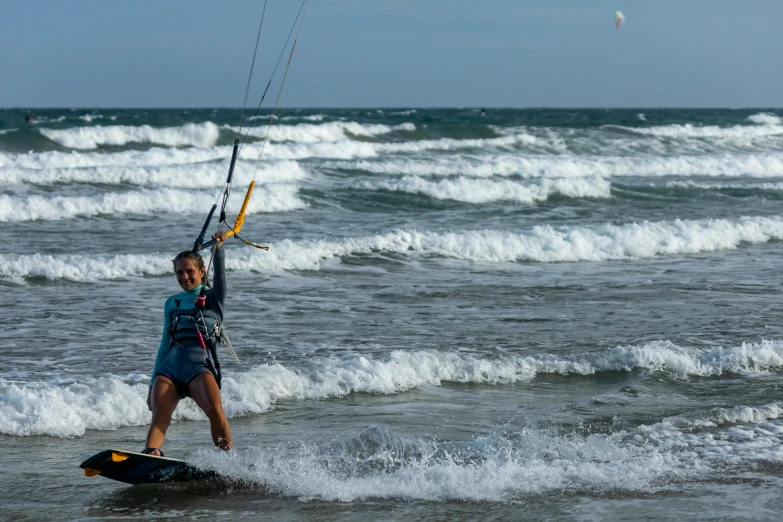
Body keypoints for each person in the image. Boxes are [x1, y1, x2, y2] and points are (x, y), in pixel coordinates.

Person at [144, 231, 232, 456]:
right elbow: (165, 344)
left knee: (215, 412)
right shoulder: (171, 302)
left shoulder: (213, 298)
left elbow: (221, 280)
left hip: (199, 368)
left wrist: (218, 250)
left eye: (190, 271)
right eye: (179, 272)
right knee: (159, 416)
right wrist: (153, 381)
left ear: (202, 272)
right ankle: (152, 453)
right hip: (169, 369)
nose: (184, 277)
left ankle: (229, 461)